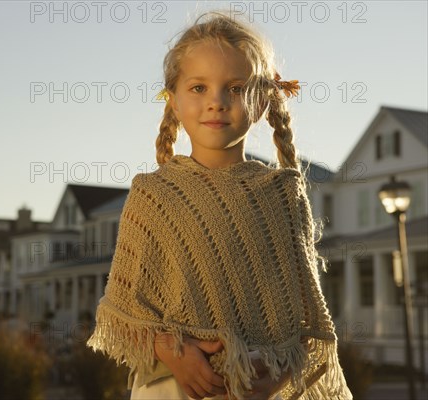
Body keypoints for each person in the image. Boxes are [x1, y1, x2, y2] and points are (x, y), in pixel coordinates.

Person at [86, 10, 352, 400]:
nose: (217, 102)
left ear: (262, 103)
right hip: (171, 386)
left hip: (259, 388)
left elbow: (307, 328)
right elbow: (125, 313)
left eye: (236, 88)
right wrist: (172, 350)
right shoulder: (152, 196)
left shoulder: (282, 195)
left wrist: (274, 381)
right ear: (173, 101)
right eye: (198, 88)